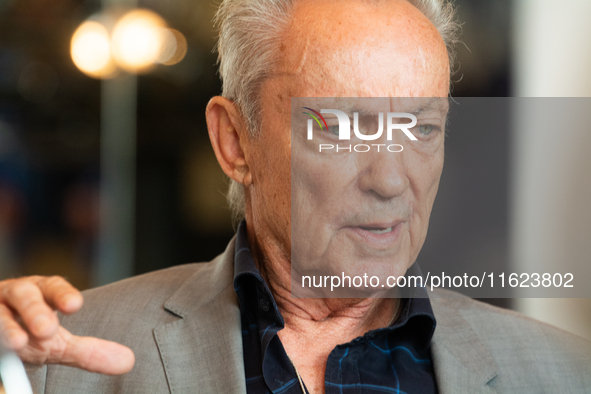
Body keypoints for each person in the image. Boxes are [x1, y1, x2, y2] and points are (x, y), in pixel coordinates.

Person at [0, 0, 590, 393]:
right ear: (235, 142)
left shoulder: (564, 373)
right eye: (337, 127)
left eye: (421, 128)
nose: (389, 179)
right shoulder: (58, 362)